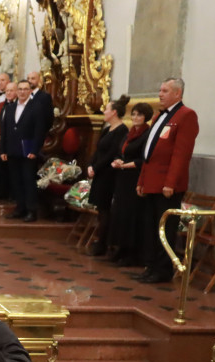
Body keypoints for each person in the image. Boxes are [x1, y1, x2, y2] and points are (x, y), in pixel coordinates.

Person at [134, 77, 199, 284]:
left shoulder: (186, 115)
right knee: (150, 227)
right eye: (160, 90)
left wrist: (170, 182)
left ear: (177, 93)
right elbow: (149, 153)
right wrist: (141, 180)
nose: (160, 94)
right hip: (151, 182)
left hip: (166, 185)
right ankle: (151, 265)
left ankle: (163, 270)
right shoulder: (158, 117)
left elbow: (181, 154)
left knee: (165, 229)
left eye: (164, 91)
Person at [108, 102, 153, 267]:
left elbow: (144, 160)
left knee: (131, 215)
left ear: (145, 117)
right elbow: (121, 152)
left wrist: (124, 165)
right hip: (122, 179)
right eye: (133, 114)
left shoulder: (146, 134)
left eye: (139, 115)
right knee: (120, 213)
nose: (135, 118)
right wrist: (117, 160)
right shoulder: (129, 133)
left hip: (135, 178)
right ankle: (120, 248)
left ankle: (131, 252)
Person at [85, 94, 130, 257]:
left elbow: (112, 153)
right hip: (99, 173)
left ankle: (102, 243)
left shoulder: (122, 130)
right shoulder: (106, 129)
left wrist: (96, 168)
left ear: (114, 113)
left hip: (108, 175)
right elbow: (98, 150)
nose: (104, 111)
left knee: (105, 210)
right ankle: (100, 241)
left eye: (107, 109)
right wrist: (90, 164)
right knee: (100, 209)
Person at [0, 80, 46, 223]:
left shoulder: (36, 107)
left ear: (30, 91)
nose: (22, 92)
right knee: (16, 181)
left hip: (28, 151)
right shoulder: (11, 107)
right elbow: (5, 129)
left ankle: (31, 211)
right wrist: (3, 150)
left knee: (28, 181)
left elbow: (40, 131)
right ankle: (20, 208)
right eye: (19, 89)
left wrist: (35, 150)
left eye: (25, 89)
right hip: (12, 150)